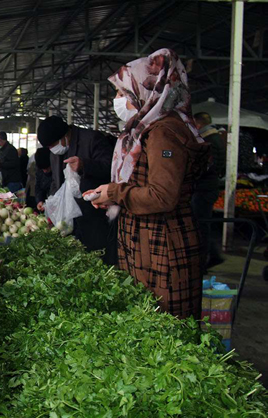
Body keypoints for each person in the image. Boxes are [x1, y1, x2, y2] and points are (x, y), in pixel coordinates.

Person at [87, 48, 209, 320]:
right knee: (147, 319)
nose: (117, 100)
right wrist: (112, 196)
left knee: (164, 324)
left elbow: (163, 196)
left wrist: (116, 192)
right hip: (146, 241)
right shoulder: (146, 130)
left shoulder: (164, 133)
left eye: (122, 93)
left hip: (162, 245)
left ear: (147, 92)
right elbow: (144, 183)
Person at [37, 115, 116, 264]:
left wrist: (84, 165)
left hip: (92, 216)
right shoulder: (55, 153)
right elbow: (56, 181)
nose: (52, 149)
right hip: (69, 222)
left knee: (97, 259)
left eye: (53, 145)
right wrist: (50, 204)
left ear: (64, 136)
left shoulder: (92, 139)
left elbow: (110, 168)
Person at [192, 112, 224, 270]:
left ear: (198, 124)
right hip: (207, 187)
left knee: (200, 225)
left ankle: (204, 261)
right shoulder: (214, 138)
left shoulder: (209, 140)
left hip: (204, 189)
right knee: (202, 224)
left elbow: (208, 167)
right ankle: (210, 256)